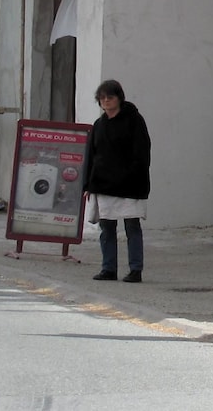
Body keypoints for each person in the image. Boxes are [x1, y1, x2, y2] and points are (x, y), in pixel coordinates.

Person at [83, 79, 151, 283]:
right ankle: (108, 268)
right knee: (107, 228)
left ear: (119, 98)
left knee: (132, 226)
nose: (106, 101)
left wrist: (134, 176)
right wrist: (87, 185)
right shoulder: (99, 125)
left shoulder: (134, 120)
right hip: (104, 184)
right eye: (102, 98)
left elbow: (142, 152)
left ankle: (135, 270)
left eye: (110, 97)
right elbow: (91, 156)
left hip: (130, 184)